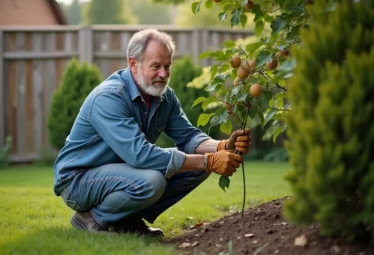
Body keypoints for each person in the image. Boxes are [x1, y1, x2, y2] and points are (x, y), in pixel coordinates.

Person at [53, 29, 251, 236]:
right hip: (79, 180)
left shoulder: (165, 97)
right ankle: (90, 219)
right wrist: (209, 161)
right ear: (133, 64)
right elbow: (139, 155)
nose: (163, 74)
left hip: (123, 172)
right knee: (153, 180)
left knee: (195, 165)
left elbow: (188, 136)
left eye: (167, 66)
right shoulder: (109, 97)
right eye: (156, 66)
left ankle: (127, 219)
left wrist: (222, 146)